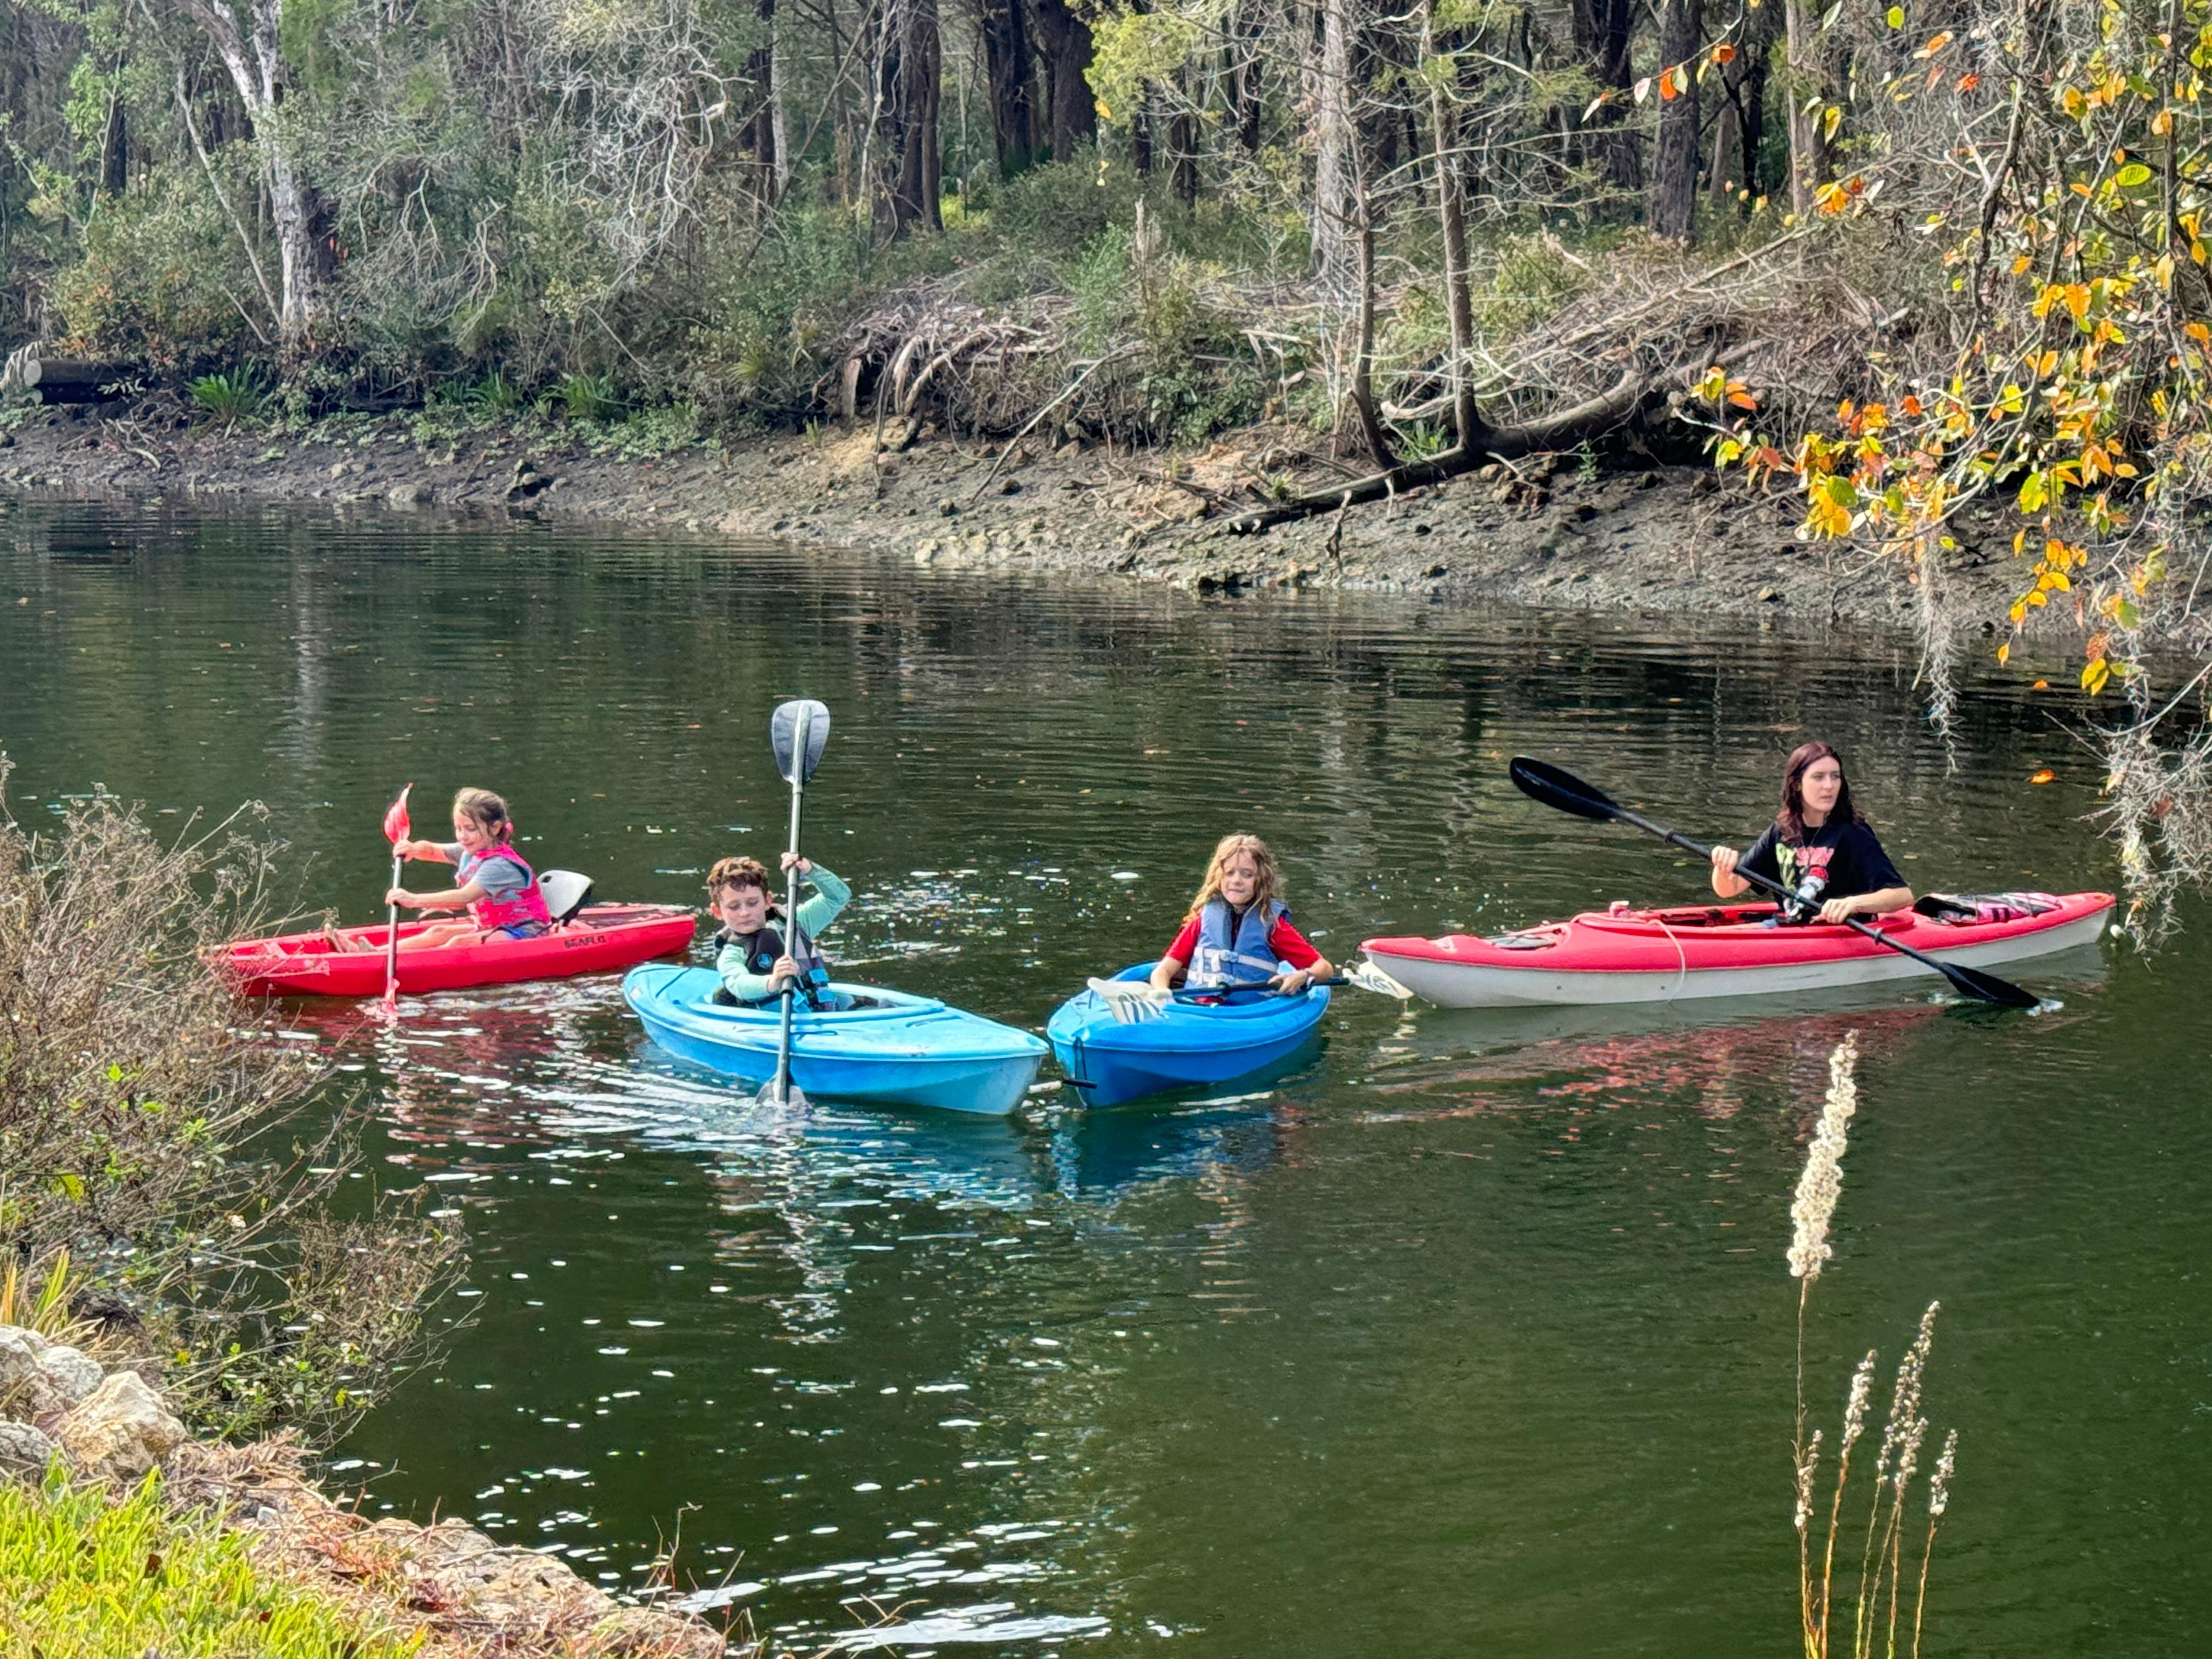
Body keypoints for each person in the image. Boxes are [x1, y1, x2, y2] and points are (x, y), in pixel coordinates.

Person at [1709, 742, 1915, 924]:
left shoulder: (1853, 834)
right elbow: (1729, 889)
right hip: (1786, 929)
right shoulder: (1781, 832)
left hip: (1837, 937)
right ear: (1797, 784)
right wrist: (1723, 867)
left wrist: (1854, 903)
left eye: (1835, 777)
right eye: (1819, 777)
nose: (1829, 786)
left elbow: (1901, 896)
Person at [1149, 832, 1335, 993]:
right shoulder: (1203, 920)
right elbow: (1162, 972)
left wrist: (1303, 976)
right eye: (1230, 873)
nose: (1237, 881)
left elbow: (1324, 968)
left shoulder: (1273, 927)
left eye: (1247, 875)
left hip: (1248, 1015)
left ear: (1261, 880)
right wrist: (1163, 995)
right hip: (1196, 1011)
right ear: (1219, 877)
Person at [382, 788, 556, 950]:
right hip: (494, 927)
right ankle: (377, 952)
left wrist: (413, 900)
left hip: (525, 932)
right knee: (438, 932)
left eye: (470, 829)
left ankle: (415, 965)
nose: (462, 836)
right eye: (458, 828)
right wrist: (414, 849)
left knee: (460, 942)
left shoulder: (498, 866)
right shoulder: (472, 850)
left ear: (495, 828)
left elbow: (463, 898)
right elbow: (434, 851)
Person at [706, 853, 852, 1009]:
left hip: (820, 1010)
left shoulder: (793, 922)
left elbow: (838, 897)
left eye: (753, 903)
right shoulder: (732, 951)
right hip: (771, 1025)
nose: (744, 913)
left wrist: (810, 871)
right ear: (717, 912)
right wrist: (774, 982)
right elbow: (738, 983)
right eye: (734, 907)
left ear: (768, 901)